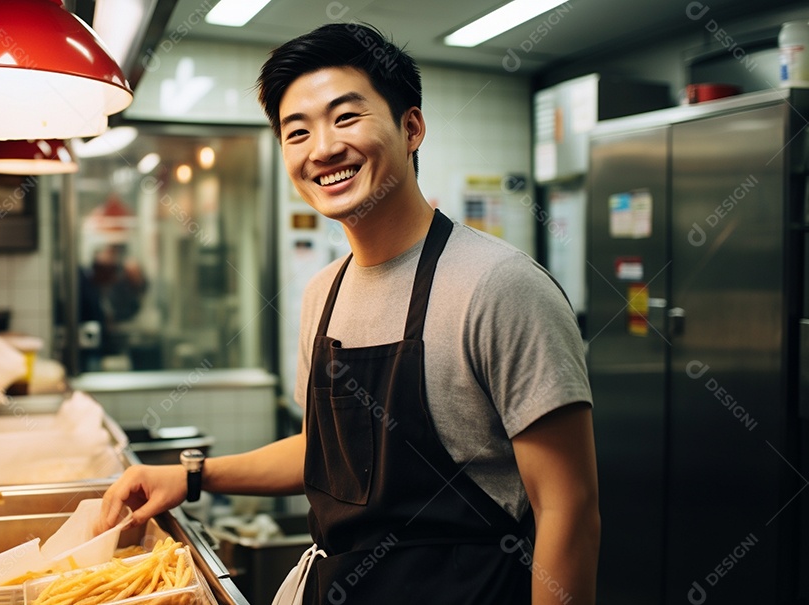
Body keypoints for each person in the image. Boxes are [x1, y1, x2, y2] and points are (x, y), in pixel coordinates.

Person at [97, 22, 600, 604]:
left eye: (346, 117)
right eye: (297, 131)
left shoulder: (500, 286)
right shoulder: (323, 293)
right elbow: (325, 450)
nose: (323, 149)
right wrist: (190, 476)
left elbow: (570, 509)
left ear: (411, 127)